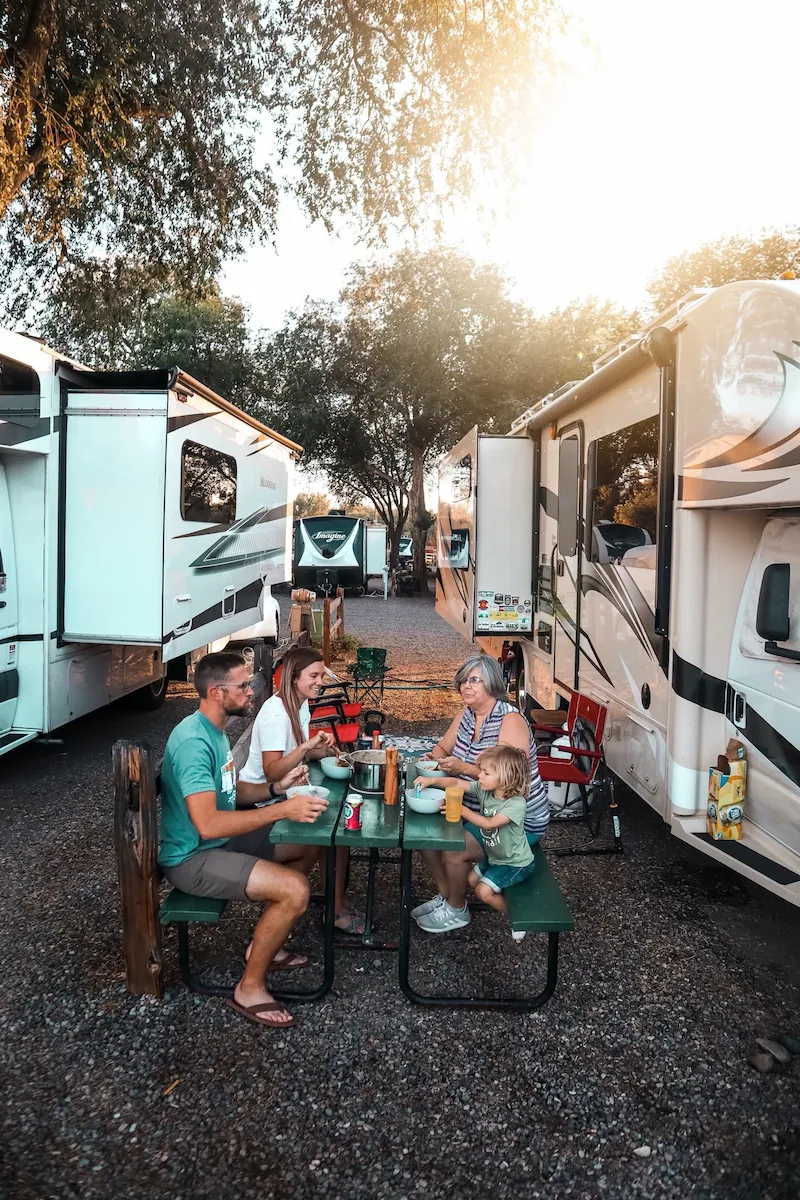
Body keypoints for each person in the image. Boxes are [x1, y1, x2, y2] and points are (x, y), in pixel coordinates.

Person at [159, 651, 329, 1030]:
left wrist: (274, 787)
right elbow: (208, 824)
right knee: (295, 889)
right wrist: (280, 810)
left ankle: (268, 942)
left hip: (216, 843)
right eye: (243, 684)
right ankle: (249, 987)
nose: (252, 689)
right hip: (192, 858)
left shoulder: (214, 731)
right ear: (218, 693)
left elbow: (231, 796)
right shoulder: (193, 742)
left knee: (310, 844)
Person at [413, 653, 549, 933]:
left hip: (513, 820)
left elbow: (510, 779)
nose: (466, 686)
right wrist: (436, 760)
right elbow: (442, 748)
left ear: (492, 684)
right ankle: (450, 896)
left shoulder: (510, 720)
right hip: (474, 804)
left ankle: (456, 908)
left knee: (455, 850)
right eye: (463, 681)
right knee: (424, 839)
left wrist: (463, 767)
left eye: (474, 680)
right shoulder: (467, 714)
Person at [239, 645, 366, 935]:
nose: (320, 682)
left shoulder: (298, 703)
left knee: (338, 828)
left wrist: (320, 752)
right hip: (259, 804)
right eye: (314, 676)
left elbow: (296, 754)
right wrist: (307, 747)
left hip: (281, 795)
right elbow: (273, 771)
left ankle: (327, 904)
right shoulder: (275, 713)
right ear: (294, 677)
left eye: (322, 676)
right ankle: (324, 908)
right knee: (333, 834)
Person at [453, 745, 536, 942]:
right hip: (497, 858)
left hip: (516, 863)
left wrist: (461, 810)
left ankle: (518, 917)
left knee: (482, 891)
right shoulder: (487, 792)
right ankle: (499, 888)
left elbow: (489, 824)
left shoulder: (516, 804)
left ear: (506, 777)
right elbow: (456, 782)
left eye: (485, 772)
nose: (479, 776)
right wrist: (431, 780)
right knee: (472, 880)